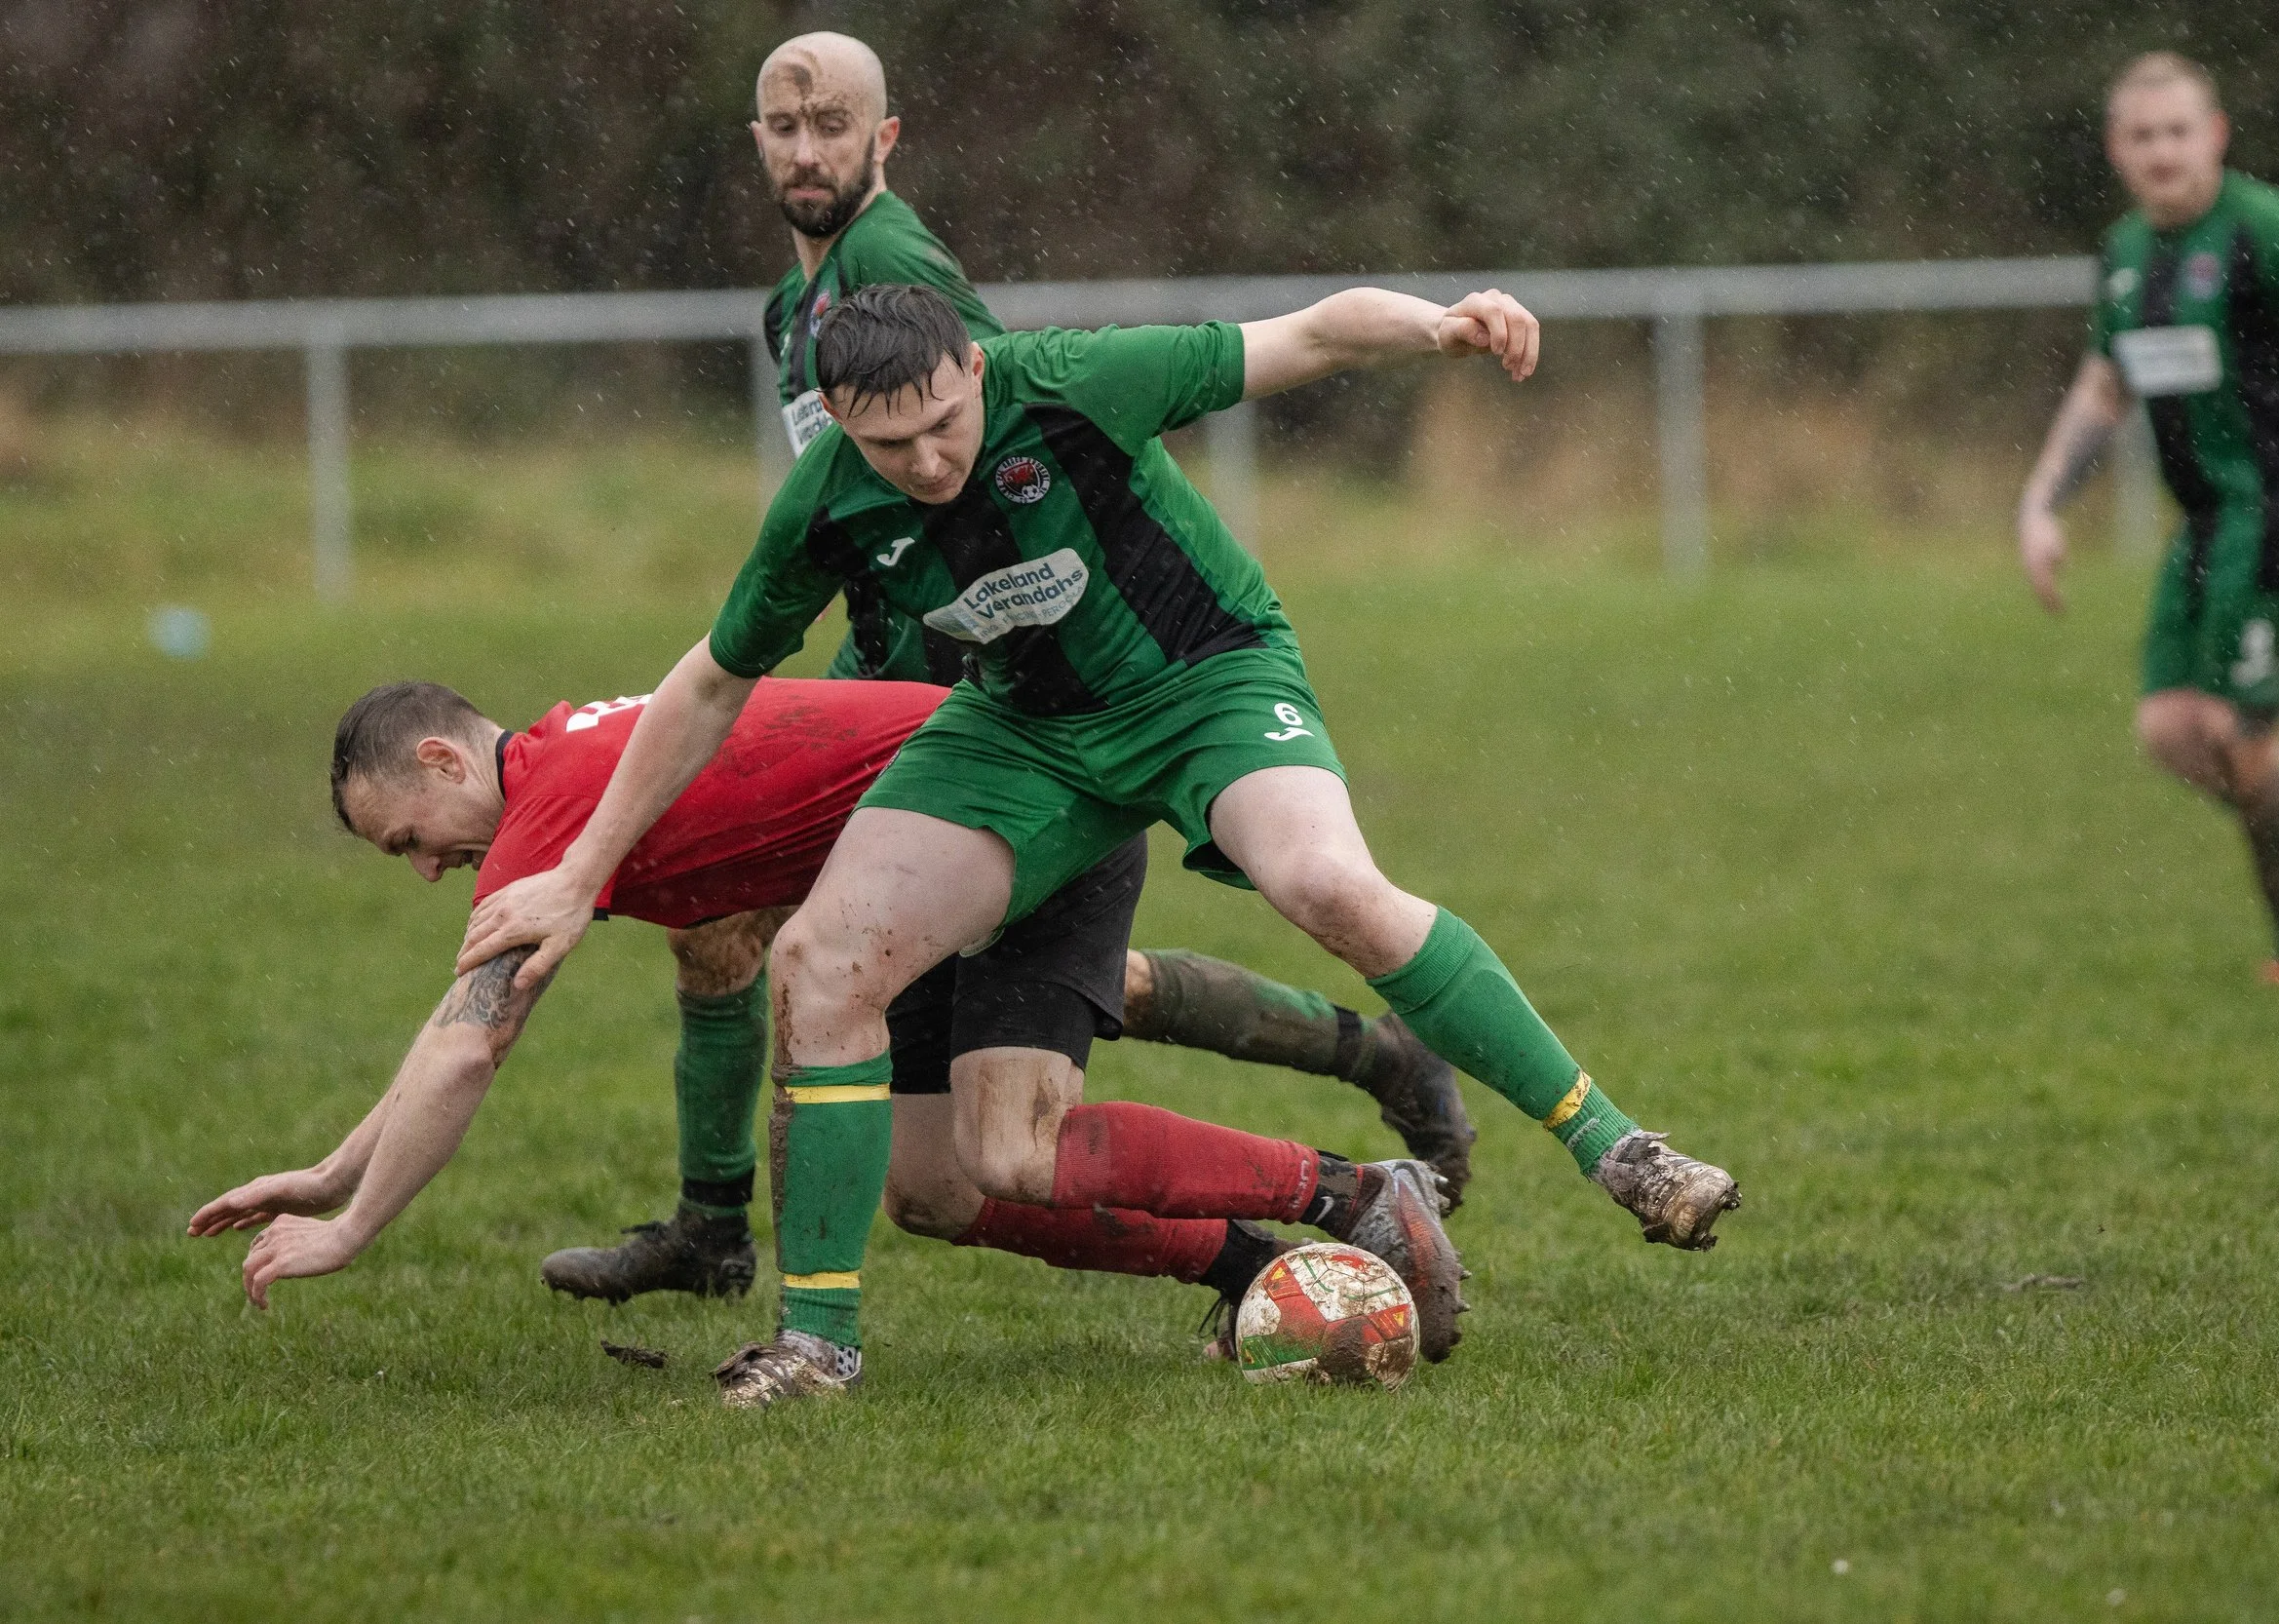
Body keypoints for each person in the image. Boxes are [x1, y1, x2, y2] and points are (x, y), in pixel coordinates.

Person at [458, 280, 1744, 1408]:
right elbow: (707, 682)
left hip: (1205, 681)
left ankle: (1619, 1146)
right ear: (841, 423)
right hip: (1023, 736)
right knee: (820, 964)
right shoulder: (831, 500)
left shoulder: (1070, 383)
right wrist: (578, 875)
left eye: (944, 425)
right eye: (887, 441)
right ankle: (819, 1345)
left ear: (975, 365)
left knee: (1323, 882)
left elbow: (1302, 336)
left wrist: (1442, 324)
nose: (924, 460)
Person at [531, 33, 1477, 1305]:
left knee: (764, 935)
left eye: (832, 126)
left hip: (962, 693)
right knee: (888, 1021)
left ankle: (721, 1232)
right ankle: (1369, 1068)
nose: (807, 150)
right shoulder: (790, 305)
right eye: (783, 125)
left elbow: (991, 460)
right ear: (752, 136)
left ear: (885, 138)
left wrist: (987, 655)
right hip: (886, 670)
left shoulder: (893, 266)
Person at [187, 679, 1461, 1390]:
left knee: (1015, 1140)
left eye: (408, 839)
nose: (421, 871)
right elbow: (453, 1029)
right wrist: (333, 1170)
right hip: (911, 875)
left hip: (1024, 822)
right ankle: (1246, 1261)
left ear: (441, 762)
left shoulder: (548, 809)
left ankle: (1352, 1185)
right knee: (932, 1185)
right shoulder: (559, 776)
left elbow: (474, 1044)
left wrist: (354, 1228)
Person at [2017, 52, 2279, 981]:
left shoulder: (2267, 230)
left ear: (2216, 135)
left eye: (2178, 131)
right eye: (2142, 135)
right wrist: (2041, 501)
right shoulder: (2126, 252)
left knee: (2241, 737)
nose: (2162, 151)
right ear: (2117, 148)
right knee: (2169, 731)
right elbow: (2105, 385)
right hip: (2204, 524)